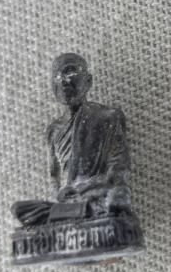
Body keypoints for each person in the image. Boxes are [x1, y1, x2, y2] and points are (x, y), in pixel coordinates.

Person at [11, 53, 131, 226]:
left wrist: (90, 186)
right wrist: (59, 193)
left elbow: (119, 166)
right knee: (19, 209)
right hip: (70, 198)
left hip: (98, 191)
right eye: (57, 76)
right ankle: (81, 212)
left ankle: (80, 212)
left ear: (88, 81)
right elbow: (54, 175)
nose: (63, 81)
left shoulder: (108, 117)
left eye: (70, 73)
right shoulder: (53, 130)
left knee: (117, 198)